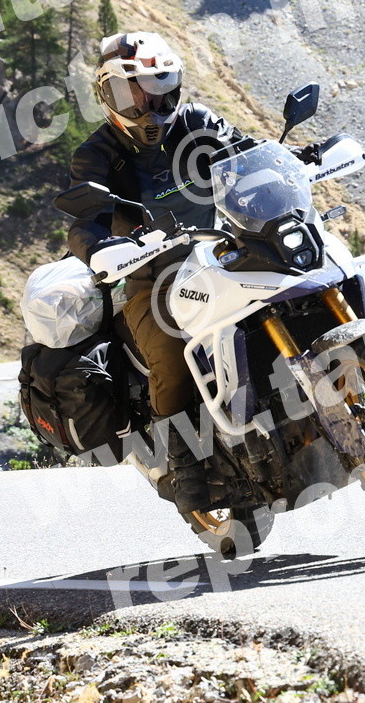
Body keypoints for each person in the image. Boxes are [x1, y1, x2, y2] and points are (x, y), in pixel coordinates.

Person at [64, 31, 245, 513]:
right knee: (170, 351)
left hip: (220, 254)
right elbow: (84, 222)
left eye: (160, 90)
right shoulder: (97, 154)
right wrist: (99, 248)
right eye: (135, 94)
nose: (149, 105)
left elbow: (245, 155)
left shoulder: (198, 123)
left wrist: (294, 161)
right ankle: (186, 469)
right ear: (109, 95)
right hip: (152, 276)